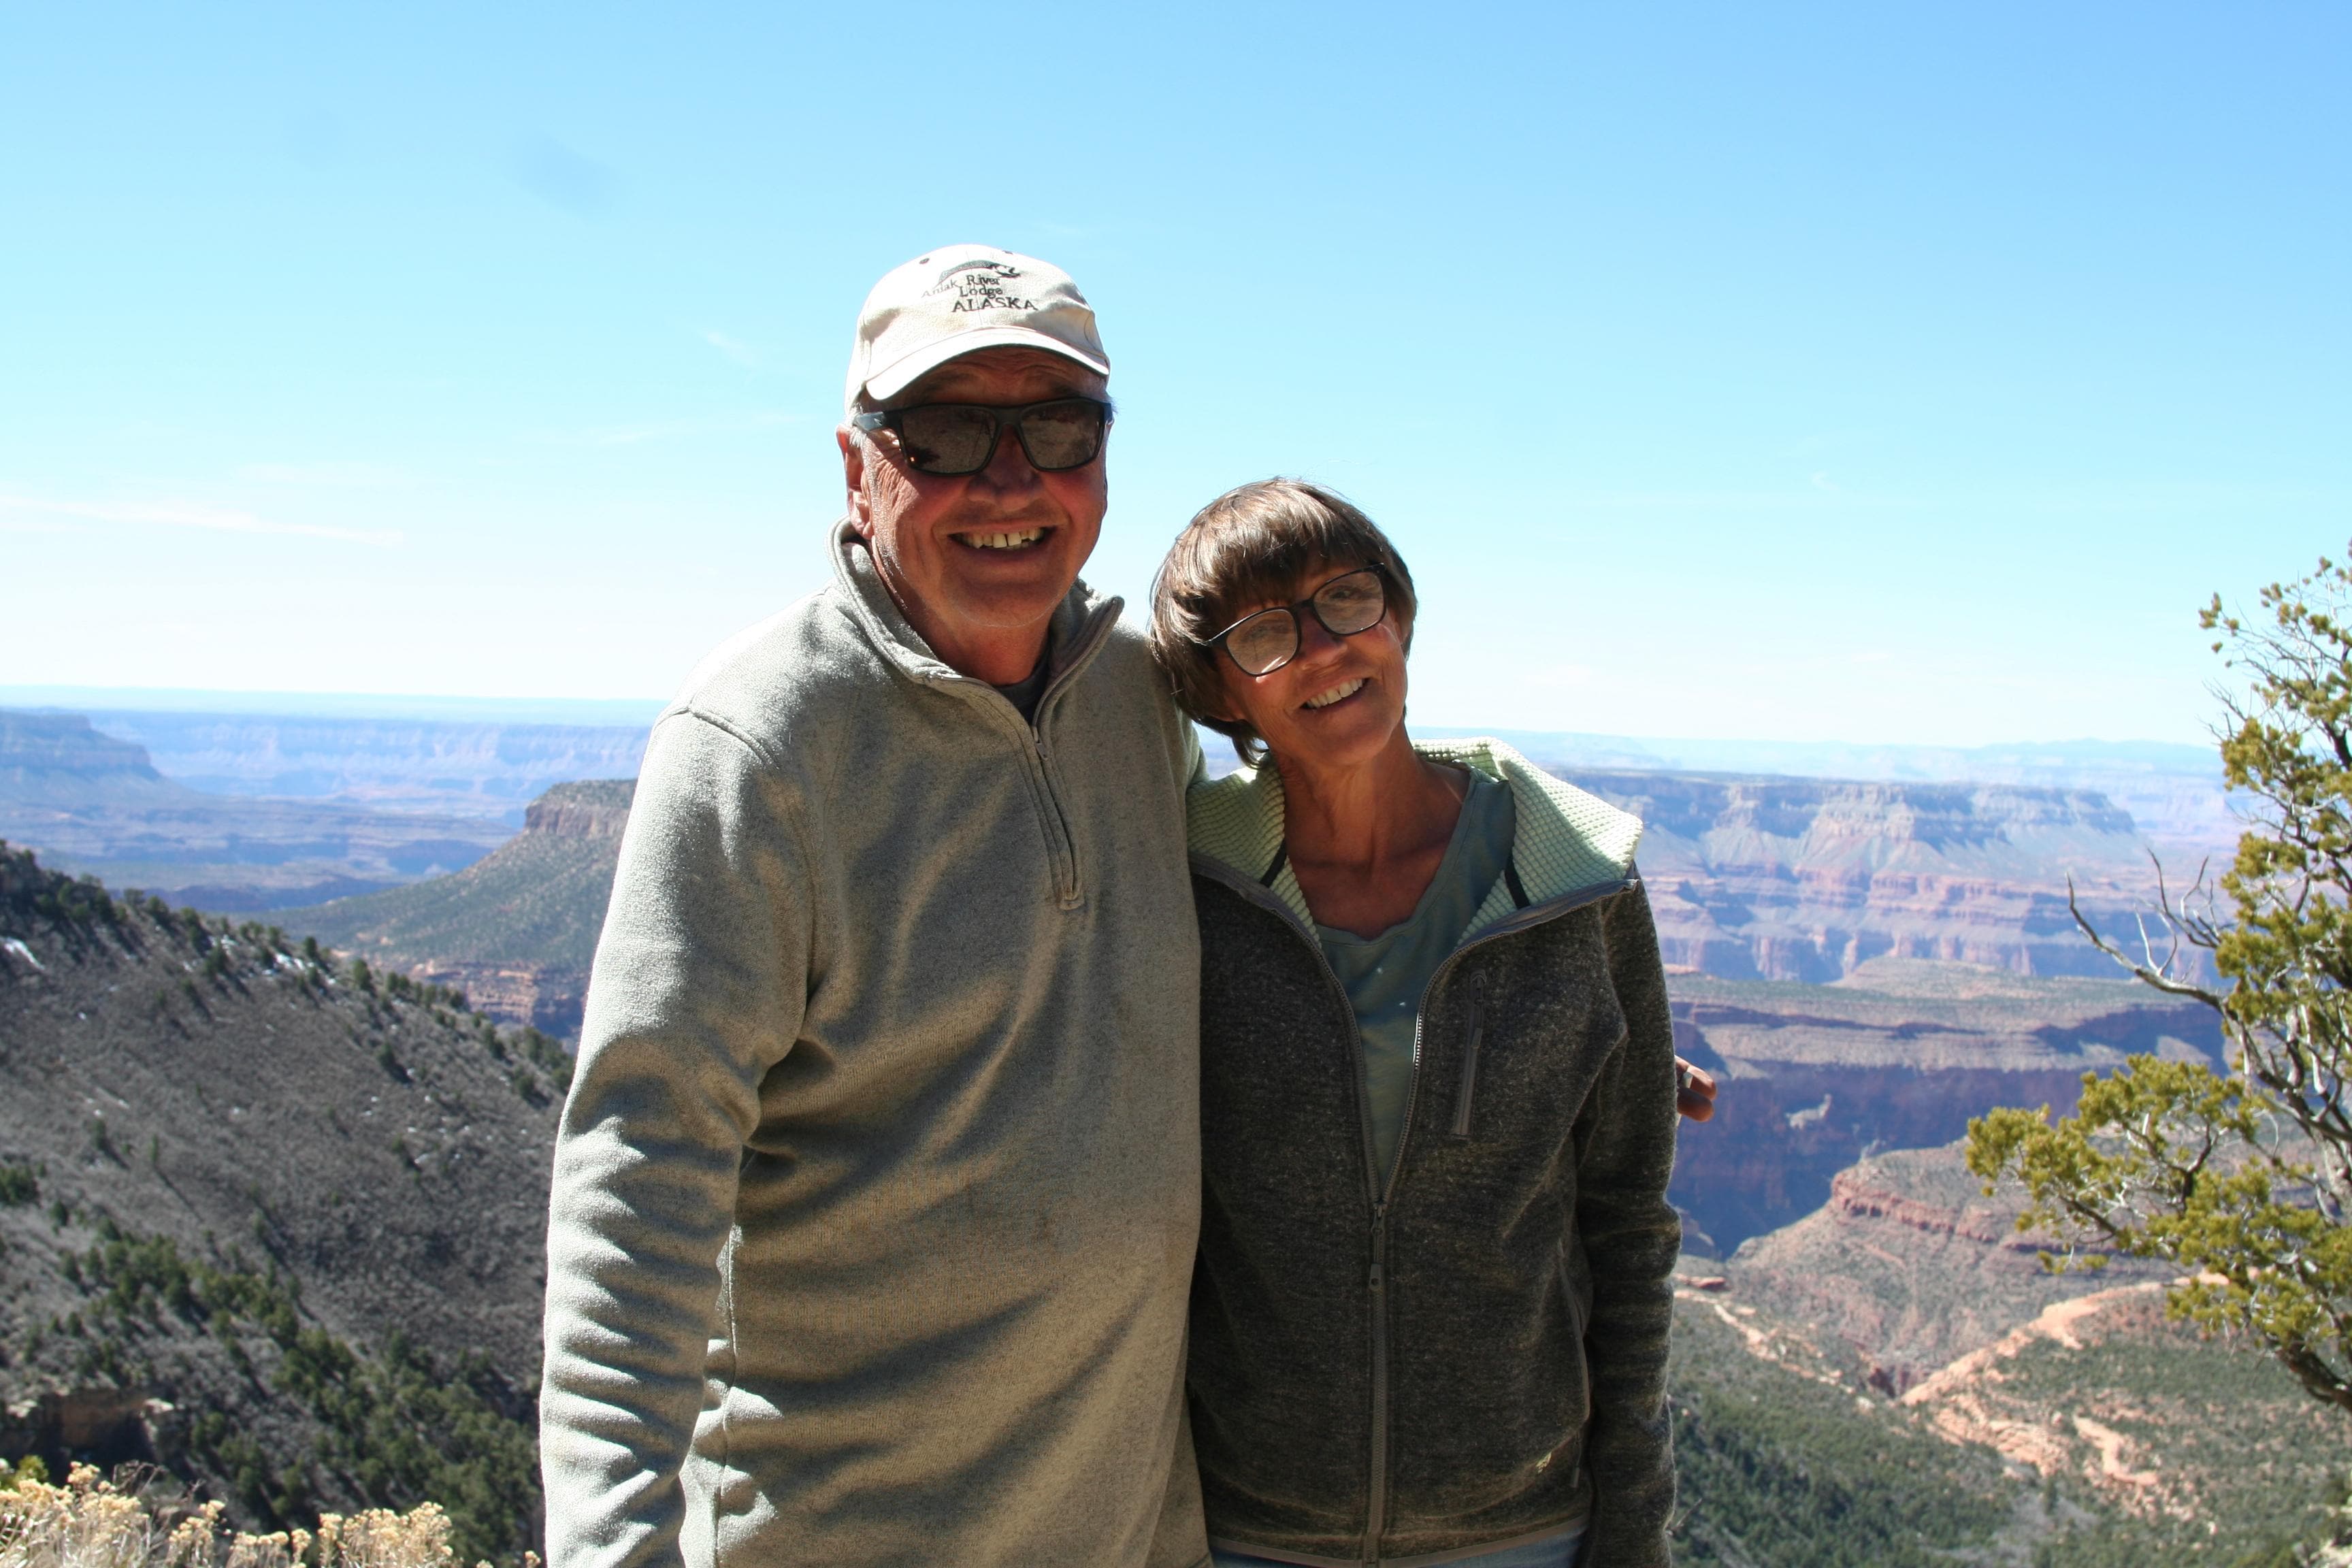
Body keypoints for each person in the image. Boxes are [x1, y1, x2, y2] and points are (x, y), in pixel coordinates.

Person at [539, 246, 1209, 1568]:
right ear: (858, 466)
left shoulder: (1144, 702)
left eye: (1058, 427)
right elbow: (641, 1170)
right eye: (945, 432)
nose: (1009, 478)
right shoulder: (759, 744)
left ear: (1104, 458)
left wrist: (1542, 893)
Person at [1149, 480, 1682, 1568]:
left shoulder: (1574, 885)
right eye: (1264, 635)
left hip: (1523, 1530)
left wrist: (1633, 1522)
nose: (1324, 649)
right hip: (1247, 1530)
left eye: (1347, 600)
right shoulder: (1187, 885)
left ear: (1397, 615)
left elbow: (1627, 1221)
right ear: (1219, 690)